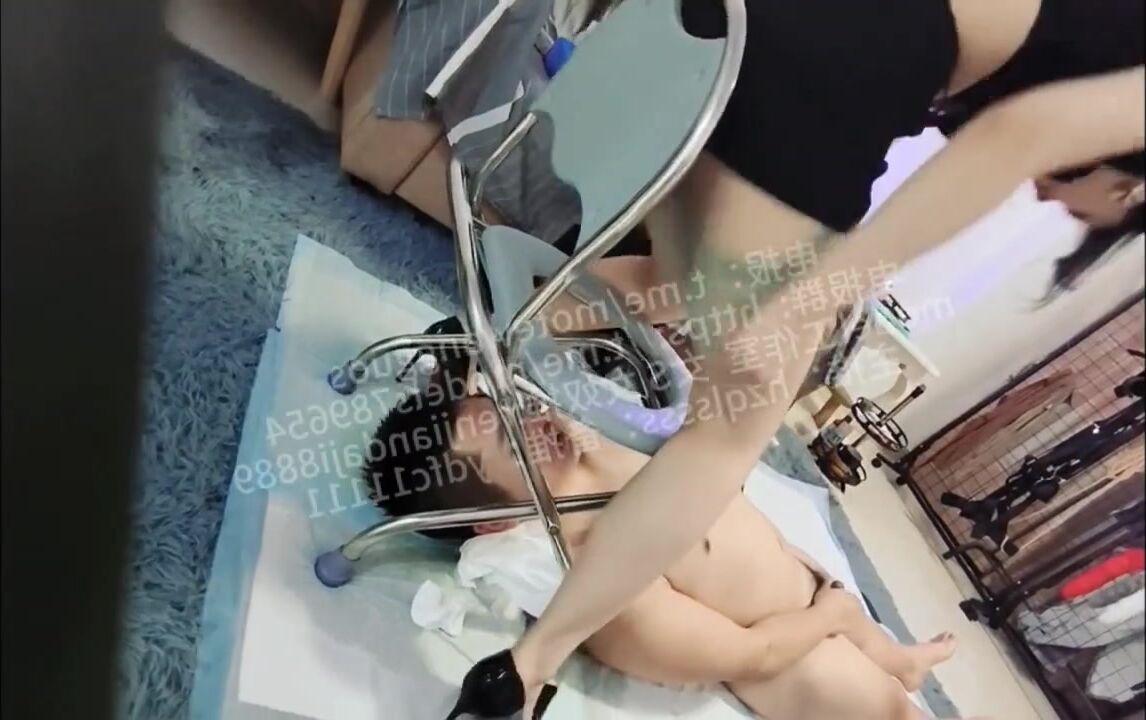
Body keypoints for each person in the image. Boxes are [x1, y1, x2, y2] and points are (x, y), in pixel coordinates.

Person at [453, 0, 1144, 715]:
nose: (1044, 191)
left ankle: (479, 350)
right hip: (816, 66)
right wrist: (818, 294)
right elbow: (1013, 137)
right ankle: (526, 669)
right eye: (1077, 204)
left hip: (712, 31)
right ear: (1132, 188)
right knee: (725, 437)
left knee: (681, 284)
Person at [364, 366, 961, 720]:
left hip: (802, 585)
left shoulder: (591, 440)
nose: (536, 421)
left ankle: (899, 661)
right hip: (792, 654)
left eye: (512, 410)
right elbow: (749, 655)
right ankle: (889, 671)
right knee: (888, 710)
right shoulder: (602, 572)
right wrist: (828, 615)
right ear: (493, 523)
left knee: (868, 640)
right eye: (516, 445)